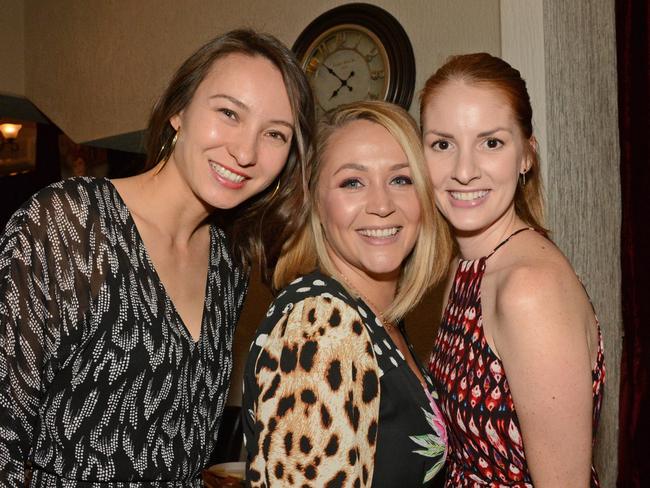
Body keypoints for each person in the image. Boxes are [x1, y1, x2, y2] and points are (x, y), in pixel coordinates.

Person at [0, 29, 314, 487]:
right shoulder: (71, 223)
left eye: (274, 134)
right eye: (228, 112)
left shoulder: (228, 264)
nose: (245, 152)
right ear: (178, 111)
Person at [242, 101, 452, 487]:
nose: (382, 205)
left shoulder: (376, 319)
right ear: (315, 204)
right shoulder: (320, 324)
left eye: (401, 180)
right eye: (352, 182)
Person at [421, 53, 605, 487]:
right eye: (443, 144)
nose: (464, 172)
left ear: (526, 156)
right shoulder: (468, 269)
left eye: (491, 143)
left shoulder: (528, 289)